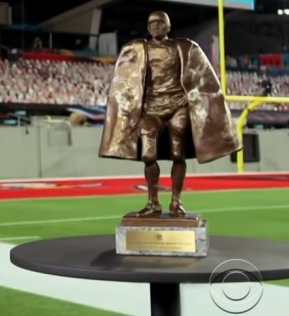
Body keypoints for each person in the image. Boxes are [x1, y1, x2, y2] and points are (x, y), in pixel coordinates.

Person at [98, 11, 240, 217]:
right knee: (148, 155)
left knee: (177, 153)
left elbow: (205, 80)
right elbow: (124, 84)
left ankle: (176, 200)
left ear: (168, 27)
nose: (156, 27)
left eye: (160, 23)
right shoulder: (138, 49)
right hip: (151, 108)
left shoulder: (183, 47)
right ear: (148, 28)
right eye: (152, 24)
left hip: (177, 106)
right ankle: (153, 202)